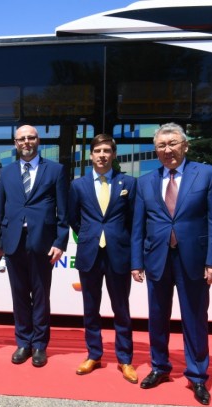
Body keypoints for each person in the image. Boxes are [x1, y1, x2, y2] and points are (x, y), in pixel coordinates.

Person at [131, 122, 212, 405]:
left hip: (194, 260)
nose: (167, 150)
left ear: (185, 145)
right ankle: (159, 367)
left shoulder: (206, 174)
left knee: (195, 319)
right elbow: (138, 226)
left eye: (173, 143)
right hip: (157, 259)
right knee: (157, 317)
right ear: (155, 150)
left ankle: (197, 375)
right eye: (161, 145)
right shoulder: (145, 182)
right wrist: (136, 262)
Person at [0, 125, 68, 368]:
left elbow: (63, 211)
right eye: (22, 138)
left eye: (31, 137)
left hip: (42, 242)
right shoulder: (6, 172)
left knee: (40, 295)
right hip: (13, 241)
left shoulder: (56, 170)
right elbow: (0, 210)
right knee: (18, 295)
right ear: (15, 143)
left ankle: (39, 345)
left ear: (38, 140)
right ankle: (23, 342)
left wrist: (60, 242)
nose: (26, 142)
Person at [68, 134, 138, 383]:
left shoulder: (128, 183)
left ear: (114, 154)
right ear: (91, 155)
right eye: (98, 151)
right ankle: (94, 355)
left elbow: (134, 221)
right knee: (90, 308)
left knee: (121, 309)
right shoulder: (78, 185)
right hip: (90, 254)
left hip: (119, 254)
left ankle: (125, 359)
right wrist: (91, 235)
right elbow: (73, 218)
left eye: (107, 150)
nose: (102, 155)